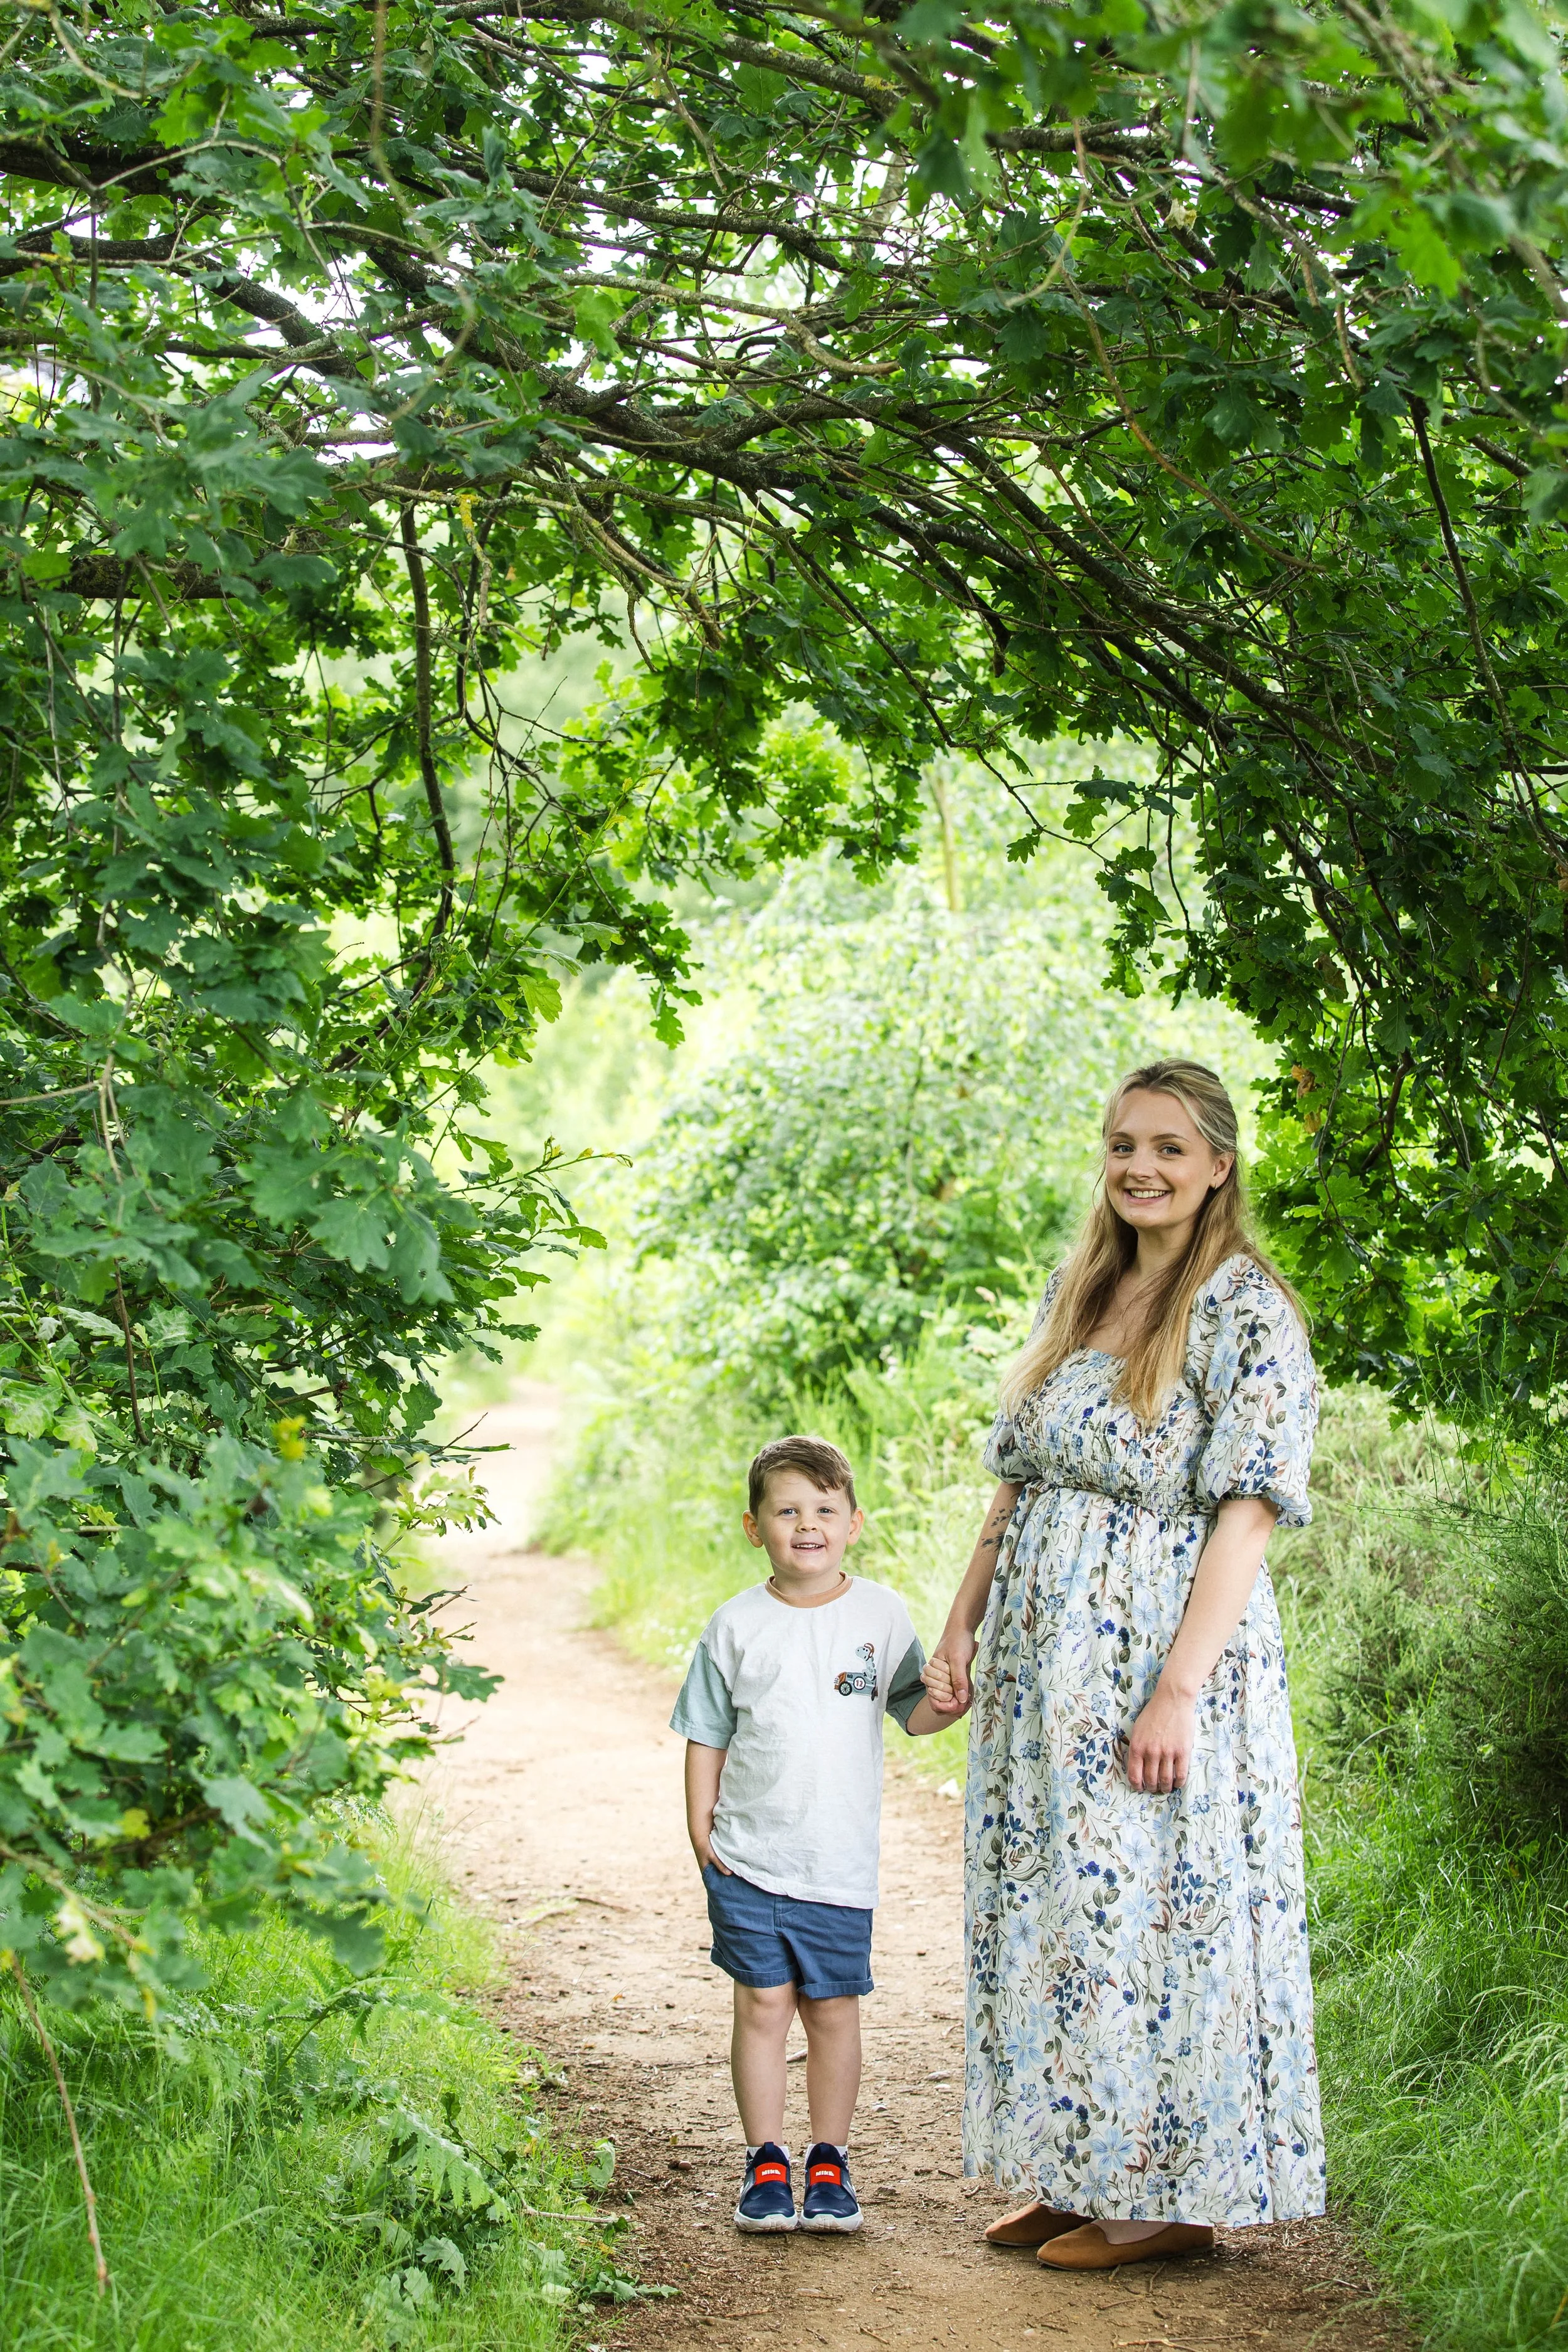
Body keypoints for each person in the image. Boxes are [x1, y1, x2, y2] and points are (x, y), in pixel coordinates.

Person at [922, 1058, 1325, 2272]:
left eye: (1166, 1147)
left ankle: (1162, 2198)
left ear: (1219, 1165)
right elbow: (1018, 1476)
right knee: (1054, 1908)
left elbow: (1248, 1514)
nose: (1139, 1167)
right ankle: (1076, 2168)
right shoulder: (1081, 1287)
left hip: (1161, 1660)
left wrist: (1177, 1689)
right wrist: (963, 1622)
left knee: (1157, 1916)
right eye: (1121, 1145)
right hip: (1047, 1667)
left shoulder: (1248, 1311)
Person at [673, 1433, 963, 2235]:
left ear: (853, 1523)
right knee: (762, 2004)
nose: (808, 1524)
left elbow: (914, 1713)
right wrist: (702, 1830)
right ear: (753, 1526)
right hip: (749, 1857)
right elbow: (705, 1732)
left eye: (824, 1510)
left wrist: (951, 1696)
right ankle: (765, 2161)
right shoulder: (734, 1625)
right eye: (788, 1510)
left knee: (833, 2010)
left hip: (836, 1863)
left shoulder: (879, 1614)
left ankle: (829, 2162)